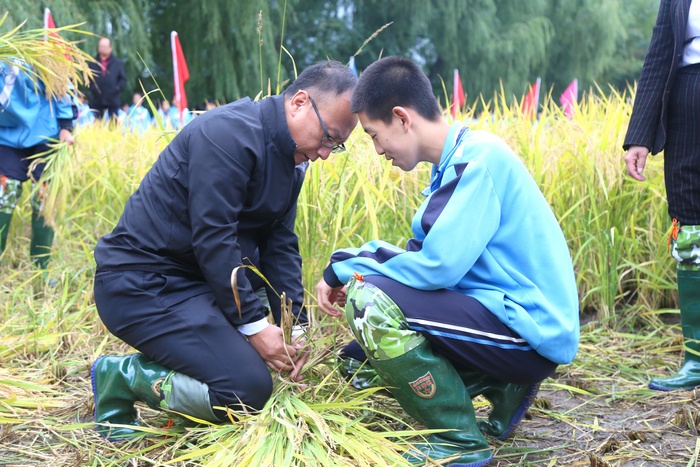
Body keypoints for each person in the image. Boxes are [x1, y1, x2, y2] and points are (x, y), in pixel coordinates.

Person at [315, 56, 579, 466]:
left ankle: (460, 442)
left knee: (369, 304)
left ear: (402, 118)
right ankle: (502, 384)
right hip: (506, 316)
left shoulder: (477, 161)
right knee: (358, 365)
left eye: (374, 135)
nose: (378, 149)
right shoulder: (456, 161)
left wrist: (347, 265)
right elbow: (427, 260)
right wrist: (355, 266)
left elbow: (436, 267)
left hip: (529, 330)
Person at [90, 60, 358, 440]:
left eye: (337, 146)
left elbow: (280, 244)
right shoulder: (227, 133)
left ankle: (196, 359)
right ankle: (120, 376)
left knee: (253, 367)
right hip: (142, 282)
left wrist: (294, 327)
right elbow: (214, 237)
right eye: (328, 138)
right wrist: (255, 326)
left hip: (201, 283)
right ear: (299, 102)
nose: (326, 153)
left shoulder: (292, 160)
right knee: (247, 391)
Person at [623, 0, 700, 392]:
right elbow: (658, 57)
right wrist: (639, 135)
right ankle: (696, 359)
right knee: (689, 230)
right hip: (686, 105)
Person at [0, 60, 76, 272]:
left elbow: (61, 85)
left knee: (43, 195)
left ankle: (40, 267)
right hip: (6, 132)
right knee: (4, 191)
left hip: (44, 130)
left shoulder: (40, 51)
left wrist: (65, 126)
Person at [88, 37, 127, 120]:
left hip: (113, 99)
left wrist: (116, 89)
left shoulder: (117, 63)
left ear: (110, 48)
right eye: (101, 46)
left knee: (113, 123)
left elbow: (123, 80)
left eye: (105, 47)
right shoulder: (92, 62)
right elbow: (88, 79)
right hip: (97, 99)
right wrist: (93, 88)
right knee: (97, 123)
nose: (103, 49)